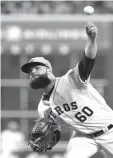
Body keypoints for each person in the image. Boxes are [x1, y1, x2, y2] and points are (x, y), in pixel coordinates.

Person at [21, 22, 113, 158]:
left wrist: (91, 39)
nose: (33, 72)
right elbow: (52, 129)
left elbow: (88, 58)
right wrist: (46, 136)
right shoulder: (43, 107)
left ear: (49, 70)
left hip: (109, 130)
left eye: (37, 68)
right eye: (30, 72)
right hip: (83, 137)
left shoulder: (70, 80)